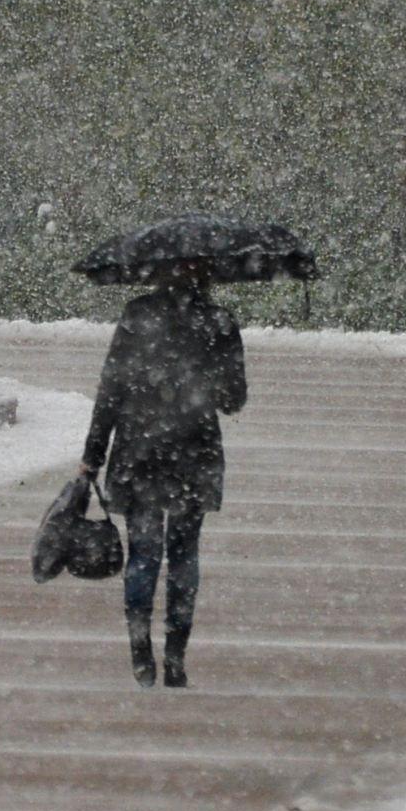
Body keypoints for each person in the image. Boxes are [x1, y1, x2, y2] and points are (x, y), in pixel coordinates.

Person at [77, 265, 247, 687]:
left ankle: (140, 649)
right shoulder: (220, 322)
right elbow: (234, 399)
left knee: (144, 554)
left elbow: (110, 392)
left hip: (140, 451)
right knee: (185, 555)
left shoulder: (136, 317)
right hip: (195, 453)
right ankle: (175, 653)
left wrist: (92, 457)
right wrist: (202, 382)